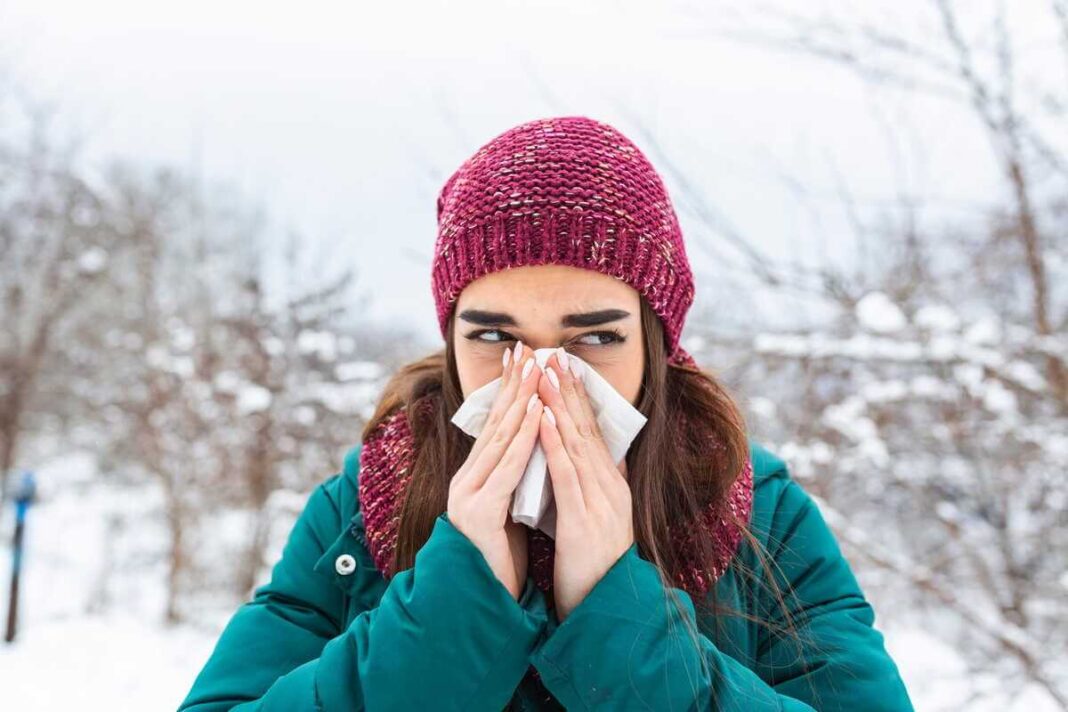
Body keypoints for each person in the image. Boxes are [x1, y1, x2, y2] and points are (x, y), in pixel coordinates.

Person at [178, 116, 915, 711]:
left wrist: (622, 622)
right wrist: (451, 609)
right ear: (451, 337)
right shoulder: (368, 501)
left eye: (593, 337)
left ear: (655, 343)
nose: (540, 379)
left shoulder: (752, 509)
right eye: (495, 337)